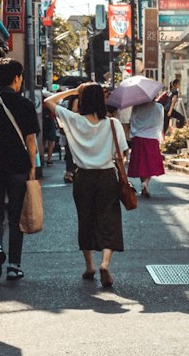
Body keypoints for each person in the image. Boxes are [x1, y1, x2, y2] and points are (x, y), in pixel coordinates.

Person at [44, 83, 128, 289]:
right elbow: (122, 155)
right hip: (107, 175)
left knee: (86, 219)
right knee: (110, 218)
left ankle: (90, 265)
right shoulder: (113, 124)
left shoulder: (73, 120)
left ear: (81, 101)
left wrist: (73, 91)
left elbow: (47, 100)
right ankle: (105, 264)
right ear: (102, 100)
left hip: (83, 178)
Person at [0, 59, 40, 283]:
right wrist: (32, 167)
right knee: (16, 215)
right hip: (19, 167)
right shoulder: (25, 105)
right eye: (21, 76)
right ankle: (14, 266)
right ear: (16, 78)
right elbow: (30, 139)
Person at [128, 95, 166, 198]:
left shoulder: (137, 106)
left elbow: (132, 120)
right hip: (152, 137)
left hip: (138, 137)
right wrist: (160, 135)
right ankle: (146, 184)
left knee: (141, 162)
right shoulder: (159, 107)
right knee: (150, 162)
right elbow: (160, 121)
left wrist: (132, 134)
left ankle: (143, 184)